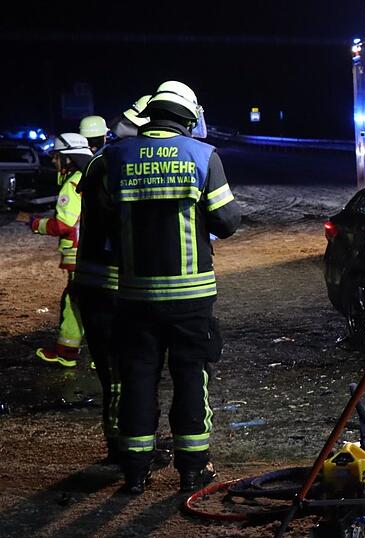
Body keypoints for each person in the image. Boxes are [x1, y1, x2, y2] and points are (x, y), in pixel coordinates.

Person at [93, 81, 241, 493]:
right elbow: (227, 223)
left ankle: (136, 472)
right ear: (189, 117)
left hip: (134, 295)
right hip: (191, 296)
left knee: (138, 378)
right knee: (191, 377)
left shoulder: (113, 158)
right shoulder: (202, 156)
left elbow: (102, 224)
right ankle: (192, 469)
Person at [74, 99, 149, 463]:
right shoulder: (119, 166)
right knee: (122, 371)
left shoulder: (104, 160)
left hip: (95, 285)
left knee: (115, 373)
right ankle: (125, 450)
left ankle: (123, 445)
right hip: (110, 287)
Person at [30, 133, 91, 367]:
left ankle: (67, 353)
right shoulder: (90, 176)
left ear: (67, 158)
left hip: (78, 254)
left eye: (56, 157)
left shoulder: (73, 183)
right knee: (86, 302)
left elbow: (63, 224)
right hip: (94, 252)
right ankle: (73, 351)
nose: (54, 162)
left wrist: (37, 224)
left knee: (76, 302)